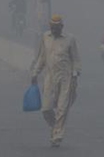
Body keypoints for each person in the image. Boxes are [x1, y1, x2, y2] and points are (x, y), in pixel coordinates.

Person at [30, 14, 81, 147]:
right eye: (52, 27)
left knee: (62, 109)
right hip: (50, 77)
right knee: (46, 109)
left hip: (66, 78)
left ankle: (57, 135)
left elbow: (76, 59)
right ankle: (55, 127)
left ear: (62, 27)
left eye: (57, 27)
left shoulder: (70, 39)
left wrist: (75, 74)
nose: (54, 30)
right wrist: (35, 73)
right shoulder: (45, 37)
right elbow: (41, 57)